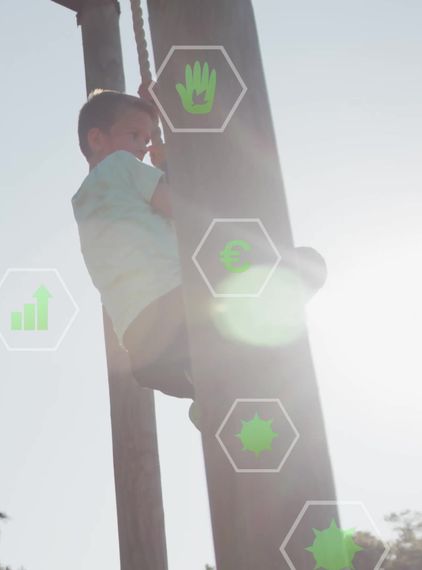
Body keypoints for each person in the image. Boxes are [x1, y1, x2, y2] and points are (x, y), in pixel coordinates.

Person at [71, 90, 326, 420]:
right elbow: (182, 210)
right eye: (134, 135)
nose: (142, 146)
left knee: (212, 372)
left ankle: (208, 401)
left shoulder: (83, 203)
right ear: (97, 139)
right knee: (306, 263)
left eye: (147, 138)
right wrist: (165, 162)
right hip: (178, 306)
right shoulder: (123, 165)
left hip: (143, 349)